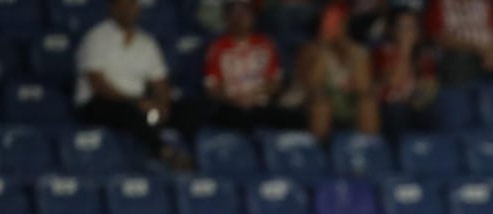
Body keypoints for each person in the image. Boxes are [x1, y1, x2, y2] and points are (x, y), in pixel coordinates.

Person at [75, 0, 192, 170]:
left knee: (191, 108)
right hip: (98, 103)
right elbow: (98, 85)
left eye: (133, 6)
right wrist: (137, 103)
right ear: (113, 8)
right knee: (128, 111)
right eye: (124, 5)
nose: (130, 10)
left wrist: (163, 104)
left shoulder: (146, 42)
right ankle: (164, 151)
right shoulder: (96, 38)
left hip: (139, 103)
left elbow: (160, 82)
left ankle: (200, 155)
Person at [202, 0, 302, 132]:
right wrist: (234, 99)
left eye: (245, 12)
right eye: (235, 13)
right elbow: (212, 88)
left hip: (262, 105)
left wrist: (256, 95)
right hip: (232, 106)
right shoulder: (217, 48)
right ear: (227, 17)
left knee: (294, 119)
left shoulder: (265, 44)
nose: (240, 17)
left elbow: (275, 82)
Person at [290, 1, 380, 139]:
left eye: (338, 23)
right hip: (316, 100)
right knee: (321, 104)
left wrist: (349, 54)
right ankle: (321, 152)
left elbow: (364, 87)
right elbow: (313, 84)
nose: (334, 28)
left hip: (346, 99)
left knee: (368, 104)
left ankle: (367, 149)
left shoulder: (357, 51)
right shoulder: (309, 51)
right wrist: (323, 50)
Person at [371, 6, 439, 140]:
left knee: (433, 110)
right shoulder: (383, 52)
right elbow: (394, 83)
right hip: (388, 108)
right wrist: (405, 51)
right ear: (392, 30)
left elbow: (429, 87)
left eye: (410, 27)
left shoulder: (424, 57)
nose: (406, 32)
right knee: (397, 111)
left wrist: (419, 99)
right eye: (401, 27)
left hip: (413, 106)